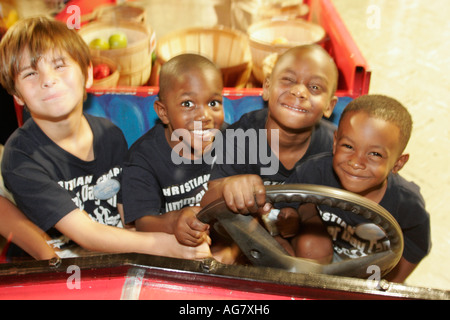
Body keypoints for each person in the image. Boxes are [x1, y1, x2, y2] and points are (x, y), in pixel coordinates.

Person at [0, 16, 210, 260]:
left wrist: (174, 230)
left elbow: (127, 213)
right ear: (17, 96)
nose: (48, 80)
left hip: (119, 255)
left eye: (59, 65)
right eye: (30, 73)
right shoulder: (21, 156)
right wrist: (166, 244)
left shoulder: (110, 134)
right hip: (63, 268)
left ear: (87, 75)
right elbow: (86, 234)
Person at [283, 94, 431, 282]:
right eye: (348, 146)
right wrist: (295, 218)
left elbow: (415, 247)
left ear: (398, 163)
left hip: (369, 271)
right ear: (335, 143)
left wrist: (391, 285)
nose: (356, 162)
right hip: (317, 260)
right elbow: (282, 210)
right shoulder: (314, 172)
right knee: (311, 245)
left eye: (375, 154)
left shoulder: (406, 203)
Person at [201, 44, 339, 215]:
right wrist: (226, 187)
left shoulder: (336, 147)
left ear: (329, 106)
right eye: (288, 80)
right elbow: (206, 201)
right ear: (267, 87)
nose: (299, 91)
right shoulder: (241, 136)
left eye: (315, 87)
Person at [122, 54, 224, 247]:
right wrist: (174, 221)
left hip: (224, 241)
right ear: (163, 112)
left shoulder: (229, 139)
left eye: (213, 103)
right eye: (187, 104)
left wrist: (231, 251)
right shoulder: (142, 159)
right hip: (174, 247)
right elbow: (143, 222)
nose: (204, 115)